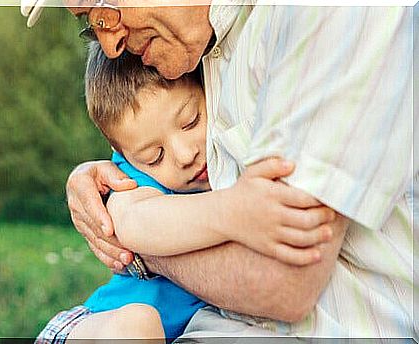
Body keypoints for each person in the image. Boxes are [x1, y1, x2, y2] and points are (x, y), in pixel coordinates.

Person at [23, 1, 414, 339]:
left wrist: (133, 240)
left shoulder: (313, 19)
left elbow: (284, 282)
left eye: (103, 8)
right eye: (90, 25)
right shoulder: (196, 47)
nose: (111, 45)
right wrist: (116, 207)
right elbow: (135, 191)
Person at [37, 40, 334, 343]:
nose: (183, 155)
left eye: (191, 121)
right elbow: (134, 222)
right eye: (155, 155)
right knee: (138, 325)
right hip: (95, 327)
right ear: (123, 155)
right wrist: (234, 210)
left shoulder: (230, 156)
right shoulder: (131, 180)